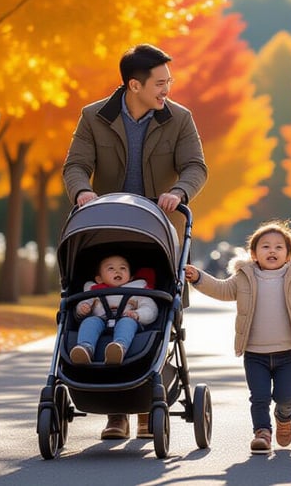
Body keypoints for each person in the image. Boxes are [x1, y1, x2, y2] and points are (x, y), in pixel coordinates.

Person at [63, 43, 208, 440]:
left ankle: (148, 404)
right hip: (107, 229)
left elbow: (196, 165)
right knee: (102, 311)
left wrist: (178, 191)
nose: (167, 89)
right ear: (134, 84)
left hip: (159, 234)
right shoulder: (94, 117)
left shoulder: (179, 118)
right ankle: (116, 413)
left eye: (169, 81)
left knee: (158, 314)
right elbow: (76, 164)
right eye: (160, 83)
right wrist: (81, 193)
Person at [183, 220, 291, 455]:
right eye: (265, 246)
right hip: (254, 353)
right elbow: (222, 289)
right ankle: (262, 434)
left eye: (279, 247)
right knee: (259, 398)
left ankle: (284, 418)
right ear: (254, 253)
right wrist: (198, 278)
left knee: (285, 397)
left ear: (288, 254)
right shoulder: (245, 277)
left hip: (286, 353)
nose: (272, 251)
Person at [69, 255, 158, 366]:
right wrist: (82, 309)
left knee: (127, 322)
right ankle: (85, 348)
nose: (118, 271)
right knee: (89, 322)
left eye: (123, 268)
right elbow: (82, 306)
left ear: (130, 277)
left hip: (127, 318)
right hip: (100, 319)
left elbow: (150, 309)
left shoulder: (137, 290)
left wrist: (138, 314)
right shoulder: (94, 291)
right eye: (111, 268)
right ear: (99, 279)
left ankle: (118, 348)